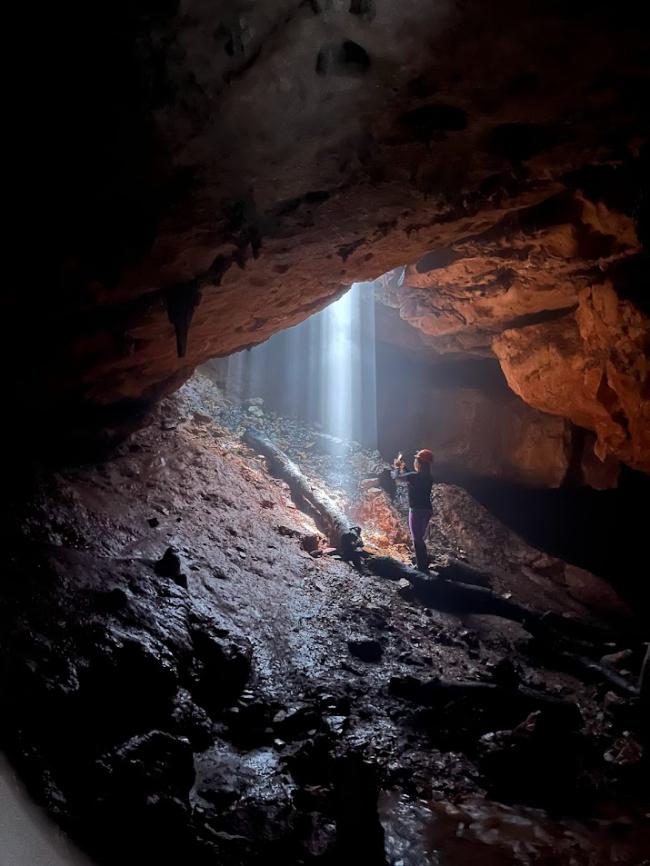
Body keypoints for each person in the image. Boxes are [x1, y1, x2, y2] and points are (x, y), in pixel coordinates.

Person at [392, 449, 434, 572]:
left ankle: (422, 569)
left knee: (417, 540)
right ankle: (423, 564)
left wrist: (397, 466)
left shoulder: (414, 477)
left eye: (416, 460)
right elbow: (411, 477)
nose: (414, 462)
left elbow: (397, 477)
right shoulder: (429, 477)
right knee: (420, 538)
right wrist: (404, 468)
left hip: (416, 511)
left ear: (419, 463)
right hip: (427, 510)